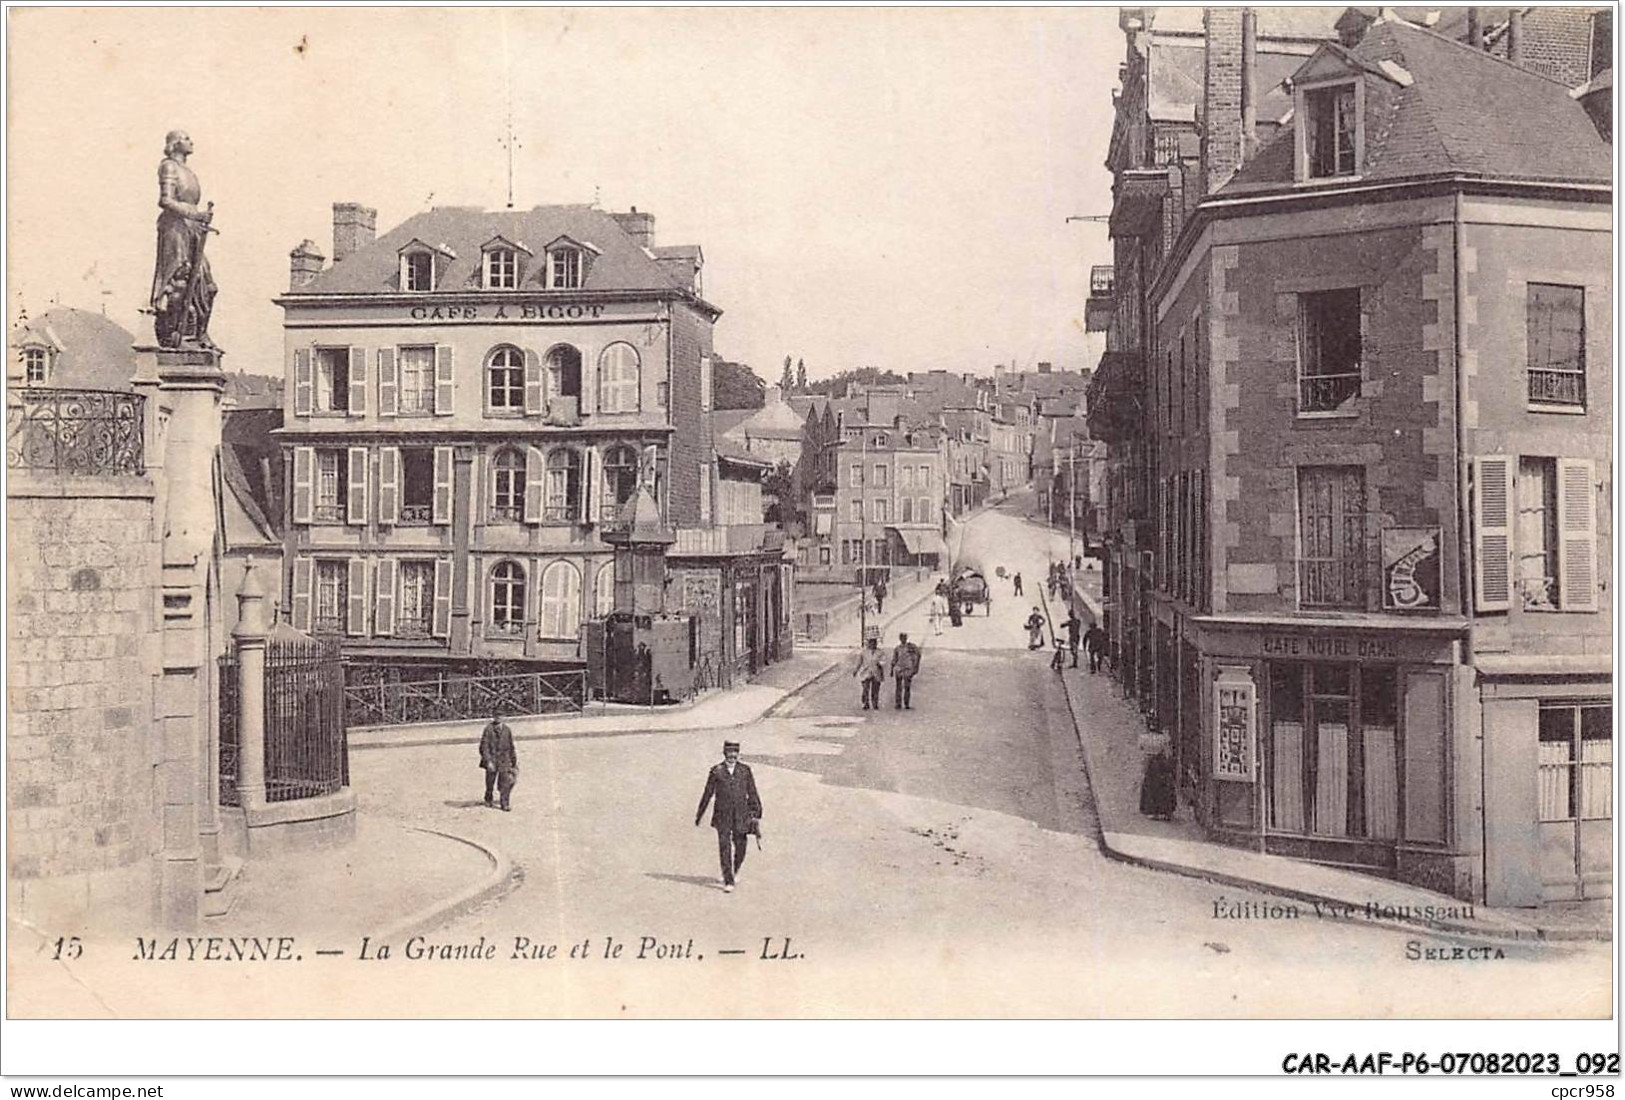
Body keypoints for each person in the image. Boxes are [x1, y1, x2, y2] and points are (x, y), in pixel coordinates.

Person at [150, 130, 217, 350]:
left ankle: (198, 334)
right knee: (179, 281)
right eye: (188, 138)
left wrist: (198, 219)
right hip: (175, 229)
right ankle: (174, 336)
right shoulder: (168, 166)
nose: (192, 141)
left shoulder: (188, 171)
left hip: (192, 229)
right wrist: (194, 214)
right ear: (176, 143)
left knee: (207, 286)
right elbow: (165, 200)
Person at [694, 740, 763, 893]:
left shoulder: (745, 770)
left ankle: (734, 869)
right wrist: (699, 814)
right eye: (729, 752)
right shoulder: (716, 771)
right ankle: (728, 879)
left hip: (741, 814)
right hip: (722, 815)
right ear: (724, 753)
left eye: (734, 753)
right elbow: (707, 793)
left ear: (738, 754)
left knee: (741, 847)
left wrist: (756, 812)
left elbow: (752, 792)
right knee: (724, 846)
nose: (732, 755)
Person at [478, 714, 518, 811]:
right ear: (493, 717)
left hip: (504, 760)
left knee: (505, 782)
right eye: (497, 716)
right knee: (490, 782)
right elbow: (484, 747)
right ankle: (488, 798)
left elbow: (511, 746)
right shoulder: (488, 729)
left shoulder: (507, 730)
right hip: (492, 760)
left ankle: (504, 803)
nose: (499, 718)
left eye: (501, 716)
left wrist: (513, 761)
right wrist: (488, 761)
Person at [1140, 749, 1176, 820]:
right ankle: (1156, 810)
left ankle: (1159, 810)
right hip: (1156, 760)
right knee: (1155, 784)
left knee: (1156, 785)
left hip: (1157, 759)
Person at [853, 634, 885, 710]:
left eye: (874, 642)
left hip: (876, 673)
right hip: (866, 673)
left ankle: (875, 703)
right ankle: (865, 703)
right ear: (868, 643)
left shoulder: (880, 652)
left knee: (875, 690)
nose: (873, 644)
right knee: (865, 689)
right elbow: (859, 662)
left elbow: (883, 661)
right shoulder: (863, 652)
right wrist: (855, 670)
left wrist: (880, 663)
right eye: (871, 642)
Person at [891, 632, 922, 709]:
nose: (903, 639)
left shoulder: (911, 647)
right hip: (899, 669)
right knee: (899, 687)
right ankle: (898, 703)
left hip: (908, 669)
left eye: (904, 638)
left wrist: (915, 666)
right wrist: (891, 669)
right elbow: (894, 659)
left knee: (907, 687)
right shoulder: (897, 648)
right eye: (902, 638)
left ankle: (906, 703)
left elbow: (918, 654)